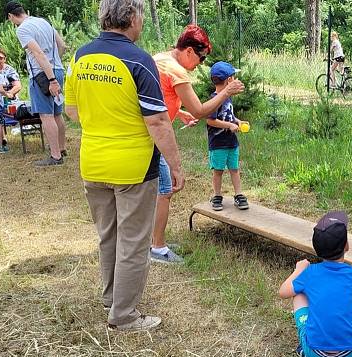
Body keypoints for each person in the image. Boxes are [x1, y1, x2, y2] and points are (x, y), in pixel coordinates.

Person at [64, 0, 185, 332]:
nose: (142, 22)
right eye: (141, 15)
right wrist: (175, 165)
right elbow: (159, 121)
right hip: (133, 167)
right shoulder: (139, 59)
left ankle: (111, 297)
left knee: (108, 235)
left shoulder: (80, 56)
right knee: (133, 241)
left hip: (93, 160)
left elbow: (72, 111)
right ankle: (124, 316)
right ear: (132, 16)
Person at [150, 24, 244, 264]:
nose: (200, 64)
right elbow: (201, 111)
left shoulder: (158, 59)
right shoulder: (177, 71)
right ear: (189, 51)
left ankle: (154, 240)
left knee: (156, 191)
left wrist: (178, 112)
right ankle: (157, 247)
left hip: (144, 132)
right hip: (153, 138)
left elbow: (157, 97)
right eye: (201, 58)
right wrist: (227, 92)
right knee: (165, 190)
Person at [278, 211, 352, 357]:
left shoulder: (310, 273)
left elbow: (283, 292)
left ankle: (305, 351)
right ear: (346, 246)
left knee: (299, 293)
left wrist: (298, 270)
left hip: (315, 354)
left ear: (316, 248)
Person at [4, 0, 68, 166]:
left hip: (42, 76)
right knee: (57, 113)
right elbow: (62, 45)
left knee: (46, 115)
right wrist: (55, 68)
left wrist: (51, 79)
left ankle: (55, 156)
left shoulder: (23, 29)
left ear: (11, 16)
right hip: (58, 69)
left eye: (9, 19)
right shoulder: (43, 21)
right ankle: (62, 148)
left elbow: (38, 53)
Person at [206, 61, 248, 212]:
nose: (236, 79)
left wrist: (237, 121)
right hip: (218, 144)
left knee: (234, 169)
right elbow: (210, 120)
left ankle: (239, 195)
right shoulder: (214, 100)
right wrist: (229, 126)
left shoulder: (228, 98)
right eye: (234, 77)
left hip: (232, 142)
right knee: (218, 171)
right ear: (229, 80)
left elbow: (229, 115)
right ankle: (217, 196)